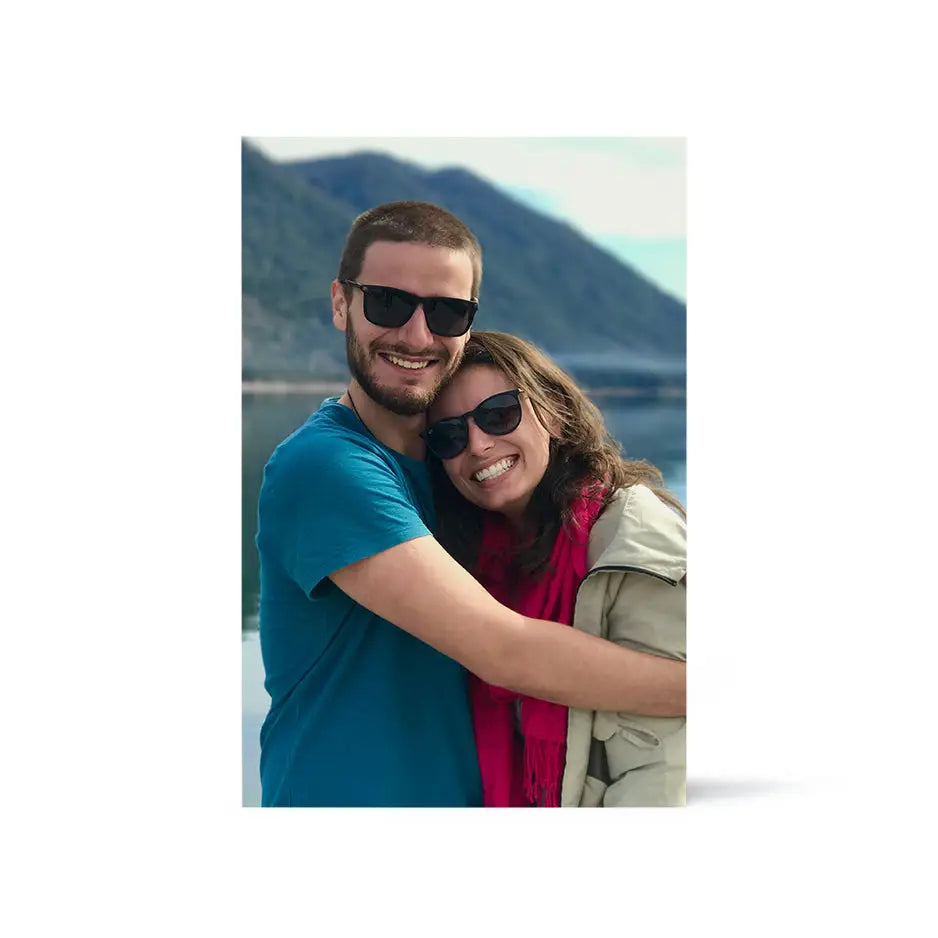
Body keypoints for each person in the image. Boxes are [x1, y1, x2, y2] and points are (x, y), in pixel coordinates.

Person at [255, 200, 685, 807]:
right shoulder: (327, 469)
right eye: (388, 303)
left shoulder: (460, 474)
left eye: (447, 312)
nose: (416, 335)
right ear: (339, 303)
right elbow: (504, 651)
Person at [425, 331, 686, 806]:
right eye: (450, 435)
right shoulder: (477, 570)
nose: (478, 445)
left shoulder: (633, 538)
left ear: (553, 412)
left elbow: (666, 761)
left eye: (498, 413)